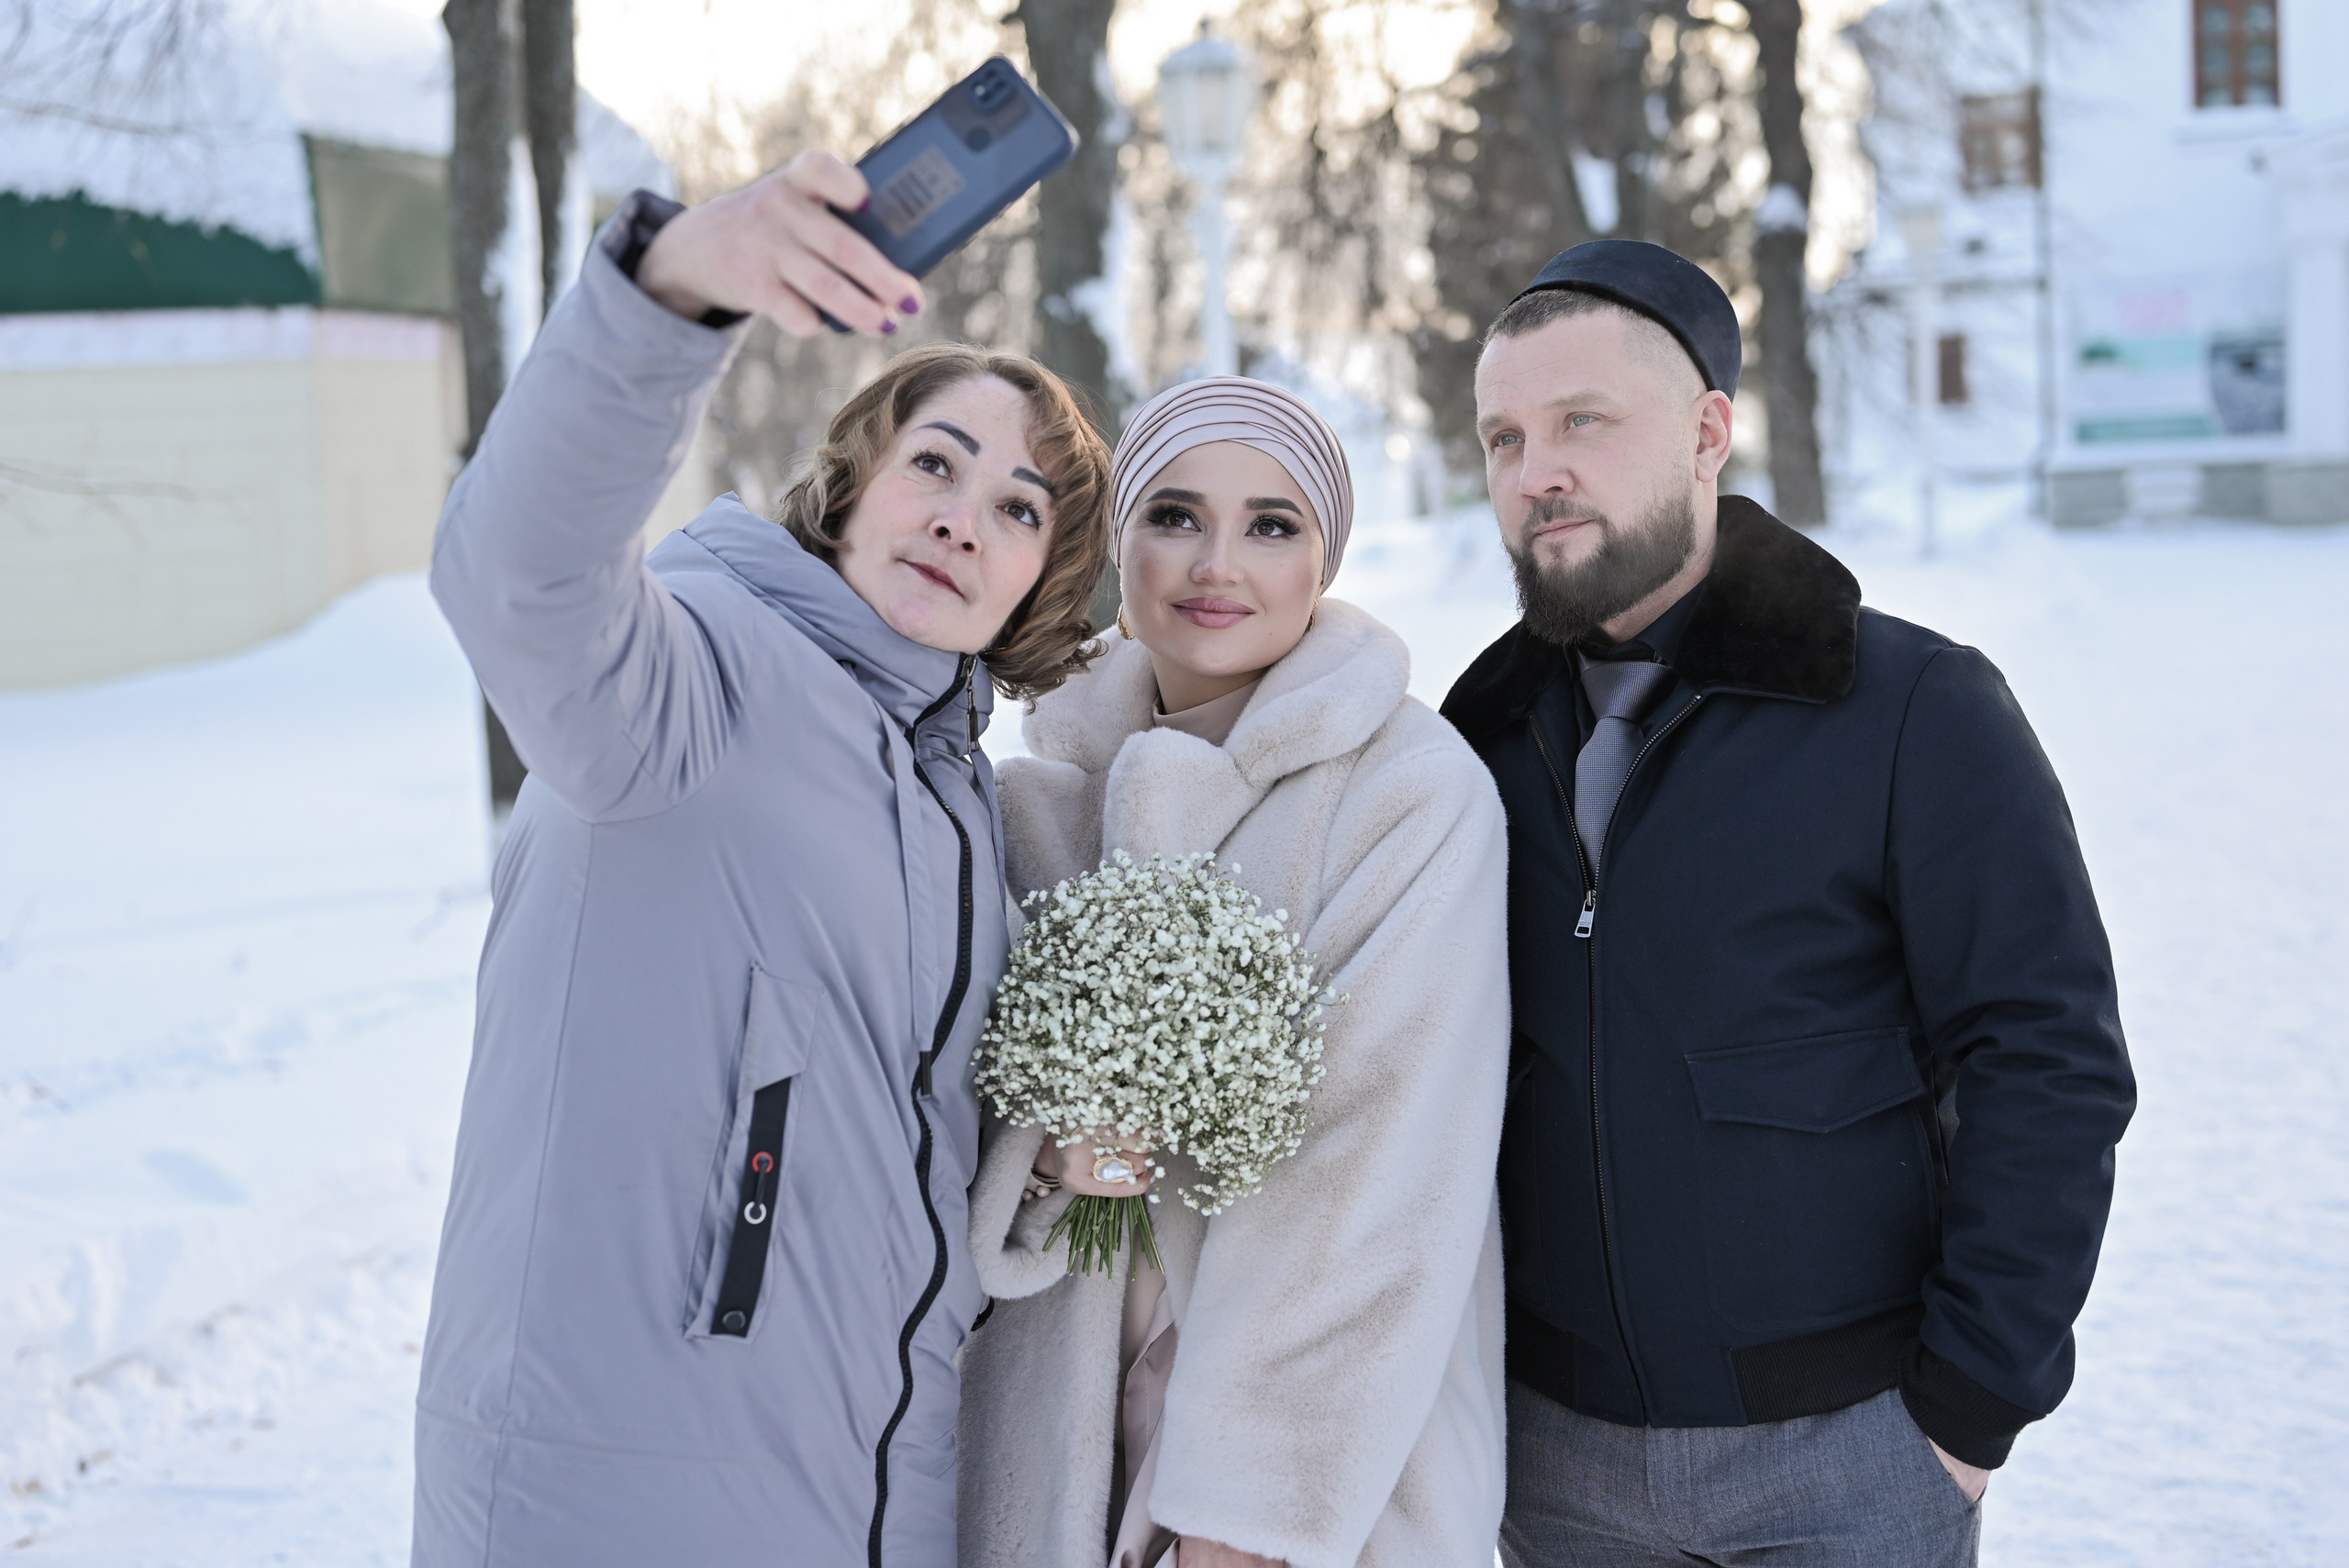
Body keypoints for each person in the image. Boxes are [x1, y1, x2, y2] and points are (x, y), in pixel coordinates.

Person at [411, 152, 1113, 1567]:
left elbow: (872, 1138)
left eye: (1022, 508)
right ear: (851, 483)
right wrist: (667, 296)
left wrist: (1039, 1170)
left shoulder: (955, 794)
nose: (965, 517)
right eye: (937, 463)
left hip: (860, 1503)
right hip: (615, 1498)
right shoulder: (696, 668)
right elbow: (518, 572)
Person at [1440, 239, 2137, 1567]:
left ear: (1709, 431)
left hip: (1850, 1460)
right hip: (1553, 1468)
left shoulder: (1914, 710)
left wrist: (1970, 1407)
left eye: (1584, 420)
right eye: (1504, 437)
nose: (1538, 472)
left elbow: (2047, 1059)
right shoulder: (1469, 745)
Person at [955, 378, 1511, 1568]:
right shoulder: (1034, 801)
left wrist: (1244, 1520)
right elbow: (955, 1095)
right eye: (1173, 515)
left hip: (1317, 1488)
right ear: (1118, 542)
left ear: (1328, 556)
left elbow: (1376, 1171)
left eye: (1272, 524)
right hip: (1065, 1440)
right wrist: (1047, 1152)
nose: (1218, 563)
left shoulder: (1410, 795)